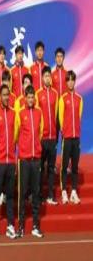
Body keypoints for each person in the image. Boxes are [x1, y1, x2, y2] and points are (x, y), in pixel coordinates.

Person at [15, 85, 44, 238]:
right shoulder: (20, 113)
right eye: (29, 97)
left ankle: (35, 226)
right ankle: (20, 226)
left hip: (36, 159)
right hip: (24, 160)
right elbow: (16, 134)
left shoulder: (39, 113)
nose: (31, 99)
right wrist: (24, 149)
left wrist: (36, 149)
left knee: (36, 192)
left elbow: (40, 132)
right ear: (25, 98)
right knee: (22, 193)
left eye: (33, 97)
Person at [0, 84, 17, 240]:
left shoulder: (14, 113)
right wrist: (0, 148)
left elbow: (16, 133)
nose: (6, 97)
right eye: (3, 95)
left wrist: (10, 148)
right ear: (0, 97)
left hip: (11, 160)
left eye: (8, 95)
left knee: (10, 195)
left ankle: (10, 225)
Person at [59, 70, 83, 205]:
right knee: (64, 166)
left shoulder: (79, 98)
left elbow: (79, 117)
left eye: (72, 80)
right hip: (67, 138)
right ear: (66, 82)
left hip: (76, 138)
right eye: (68, 80)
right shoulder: (62, 99)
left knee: (74, 166)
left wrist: (76, 133)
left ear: (75, 81)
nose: (70, 82)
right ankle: (64, 192)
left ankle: (73, 191)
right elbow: (61, 119)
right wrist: (65, 133)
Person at [36, 66, 59, 205]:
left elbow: (56, 116)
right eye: (45, 76)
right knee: (40, 169)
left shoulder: (56, 94)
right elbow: (37, 118)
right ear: (42, 78)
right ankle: (38, 195)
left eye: (49, 76)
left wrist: (56, 136)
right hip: (42, 138)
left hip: (52, 138)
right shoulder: (38, 94)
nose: (48, 78)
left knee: (51, 169)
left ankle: (50, 195)